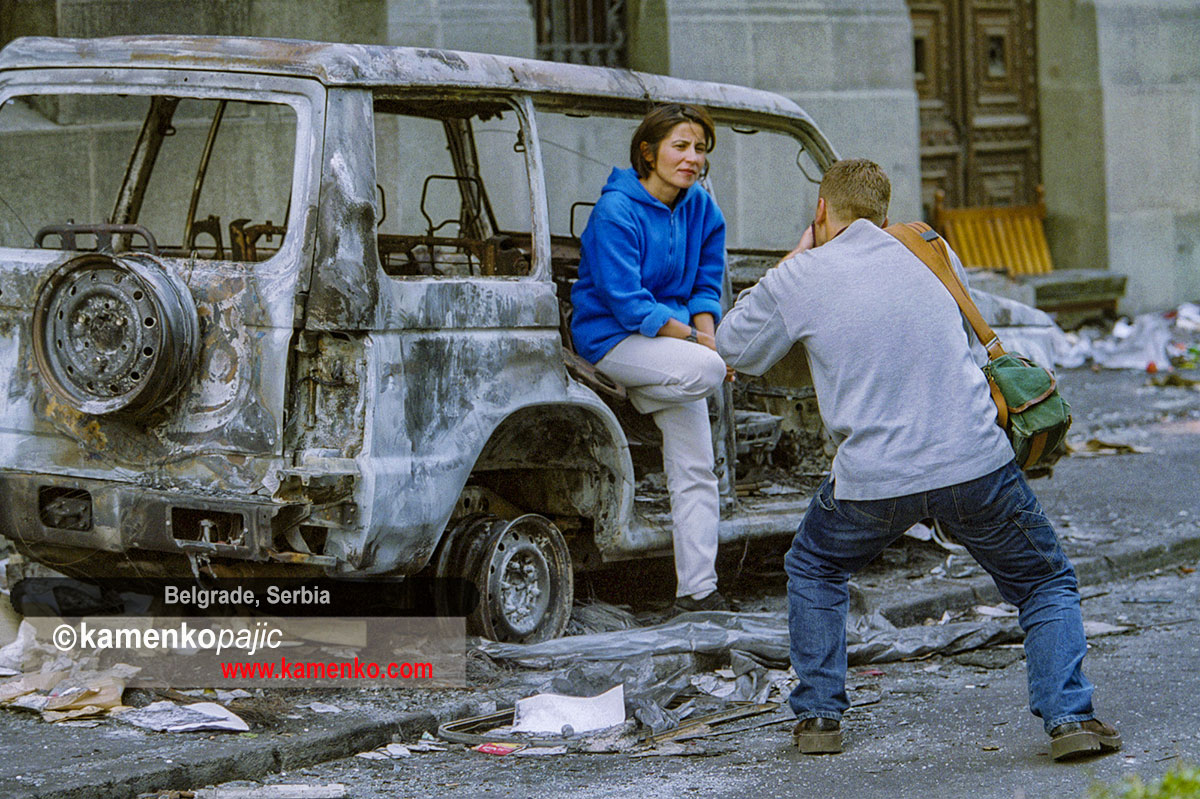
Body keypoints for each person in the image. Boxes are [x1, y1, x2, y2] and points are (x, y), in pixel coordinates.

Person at [714, 158, 1119, 760]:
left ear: (821, 210)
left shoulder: (801, 277)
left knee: (816, 567)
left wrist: (790, 264)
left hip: (875, 479)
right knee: (1042, 581)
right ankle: (1070, 721)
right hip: (974, 462)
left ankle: (819, 718)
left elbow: (734, 348)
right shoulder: (931, 247)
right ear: (885, 212)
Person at [571, 103, 733, 614]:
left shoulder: (700, 206)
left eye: (700, 149)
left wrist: (708, 335)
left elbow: (708, 283)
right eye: (680, 147)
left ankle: (698, 591)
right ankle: (649, 387)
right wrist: (701, 347)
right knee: (707, 373)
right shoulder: (615, 210)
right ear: (648, 152)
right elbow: (627, 302)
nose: (691, 159)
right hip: (611, 339)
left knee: (696, 469)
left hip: (670, 353)